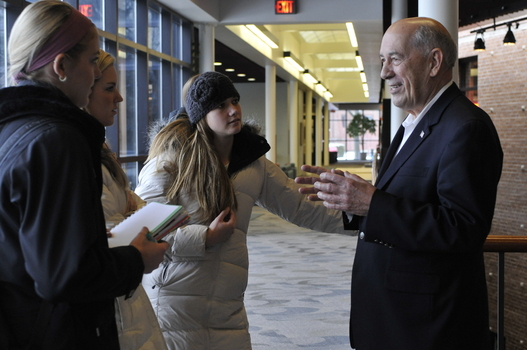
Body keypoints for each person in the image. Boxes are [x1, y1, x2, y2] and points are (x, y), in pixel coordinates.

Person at [296, 17, 503, 349]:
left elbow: (464, 228)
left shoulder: (466, 128)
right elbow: (403, 203)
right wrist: (353, 199)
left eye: (394, 58)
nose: (384, 72)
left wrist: (372, 203)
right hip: (396, 317)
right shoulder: (414, 123)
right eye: (382, 61)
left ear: (434, 62)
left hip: (427, 327)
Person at [135, 71, 347, 350]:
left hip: (227, 306)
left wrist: (362, 214)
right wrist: (205, 238)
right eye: (220, 105)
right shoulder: (171, 161)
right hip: (176, 304)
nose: (233, 110)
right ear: (201, 115)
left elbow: (300, 206)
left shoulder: (252, 163)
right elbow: (143, 233)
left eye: (234, 100)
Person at [0, 2, 168, 349]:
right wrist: (136, 259)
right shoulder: (57, 140)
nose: (95, 73)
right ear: (61, 66)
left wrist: (86, 237)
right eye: (93, 61)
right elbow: (62, 277)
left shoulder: (12, 130)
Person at [85, 49, 168, 350]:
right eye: (109, 89)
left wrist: (133, 211)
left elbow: (131, 201)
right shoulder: (78, 153)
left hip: (122, 282)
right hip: (113, 283)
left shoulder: (99, 147)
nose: (119, 98)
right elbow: (105, 227)